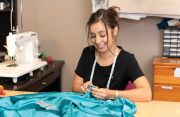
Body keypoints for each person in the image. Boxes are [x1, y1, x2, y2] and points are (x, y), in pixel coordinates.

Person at [72, 6, 152, 102]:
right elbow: (75, 86)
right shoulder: (87, 53)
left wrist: (112, 94)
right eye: (93, 36)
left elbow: (147, 94)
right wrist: (83, 89)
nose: (97, 41)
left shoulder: (126, 59)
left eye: (102, 35)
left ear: (115, 31)